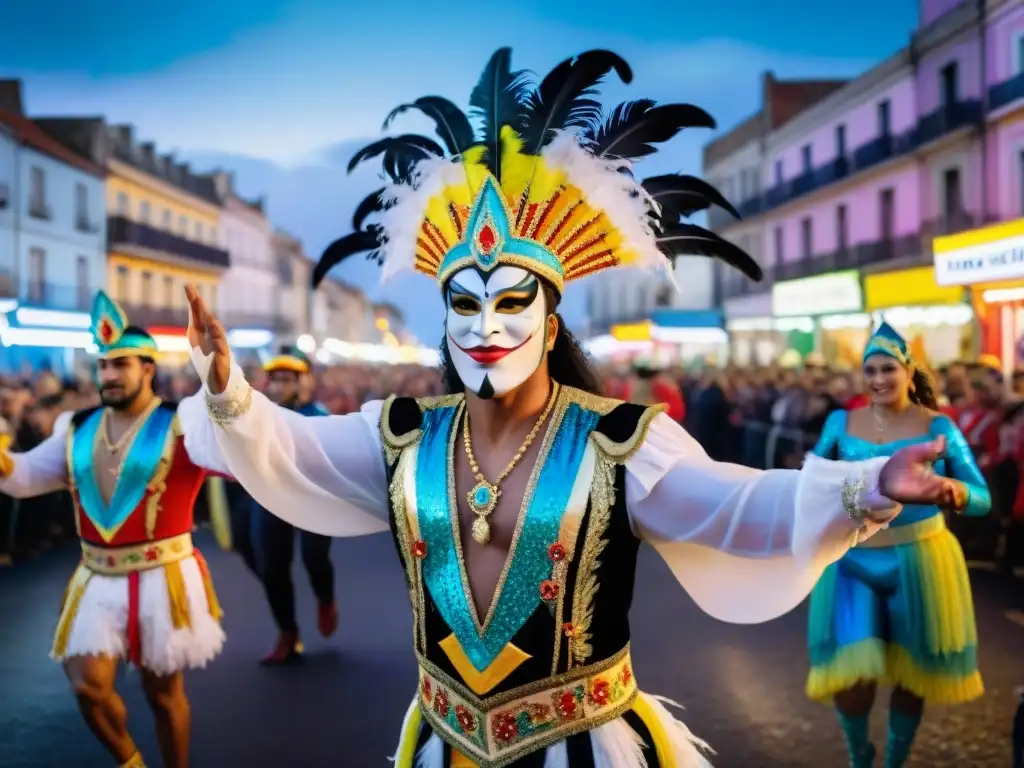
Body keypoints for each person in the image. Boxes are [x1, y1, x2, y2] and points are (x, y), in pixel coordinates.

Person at [179, 47, 955, 768]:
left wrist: (867, 486)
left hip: (580, 744)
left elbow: (736, 503)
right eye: (464, 305)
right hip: (443, 740)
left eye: (511, 303)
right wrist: (226, 388)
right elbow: (288, 447)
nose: (486, 328)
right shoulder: (402, 437)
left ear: (550, 325)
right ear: (443, 320)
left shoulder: (621, 442)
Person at [0, 291, 229, 768]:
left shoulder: (183, 421)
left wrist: (223, 386)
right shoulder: (75, 427)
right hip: (95, 577)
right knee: (88, 686)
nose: (107, 375)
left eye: (120, 364)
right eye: (101, 366)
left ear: (148, 367)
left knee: (164, 697)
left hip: (162, 575)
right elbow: (21, 479)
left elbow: (240, 454)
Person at [806, 322, 990, 768]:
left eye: (888, 368)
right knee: (852, 679)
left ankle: (894, 762)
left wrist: (952, 491)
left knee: (911, 675)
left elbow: (982, 497)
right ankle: (859, 758)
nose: (878, 379)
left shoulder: (938, 426)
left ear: (909, 371)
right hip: (853, 563)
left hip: (920, 559)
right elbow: (810, 483)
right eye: (870, 370)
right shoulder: (840, 421)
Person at [252, 347, 338, 664]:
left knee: (314, 558)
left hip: (313, 500)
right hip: (272, 498)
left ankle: (325, 598)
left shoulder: (320, 414)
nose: (279, 387)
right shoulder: (258, 414)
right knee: (272, 567)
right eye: (274, 380)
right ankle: (287, 633)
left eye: (287, 380)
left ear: (303, 382)